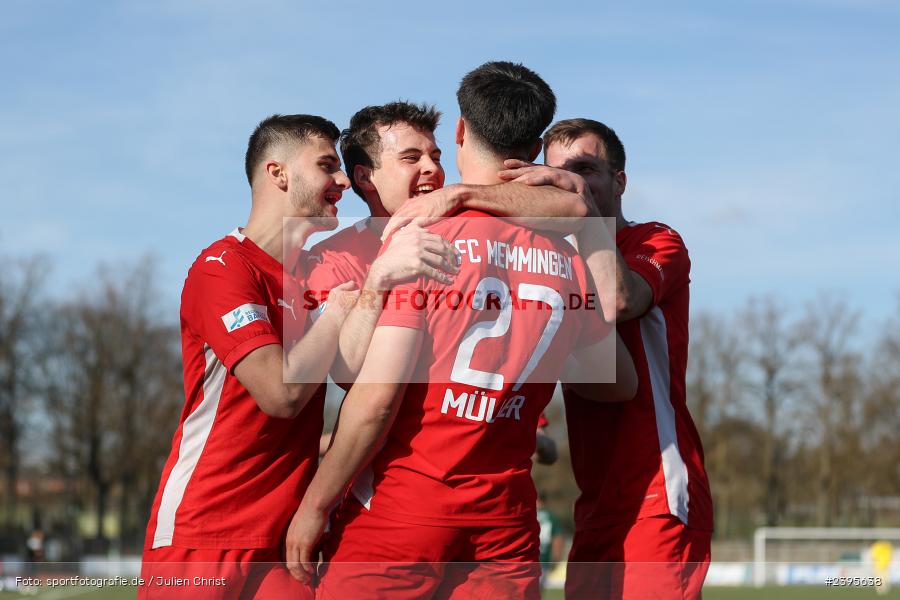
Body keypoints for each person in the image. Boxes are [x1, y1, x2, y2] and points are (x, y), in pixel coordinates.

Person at [285, 61, 637, 599]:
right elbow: (619, 384)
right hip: (505, 528)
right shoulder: (566, 257)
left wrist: (314, 505)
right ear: (537, 144)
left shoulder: (427, 239)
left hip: (404, 515)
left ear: (460, 132)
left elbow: (376, 400)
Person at [138, 114, 360, 600]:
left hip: (285, 543)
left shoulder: (318, 276)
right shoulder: (222, 267)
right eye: (328, 165)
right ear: (277, 173)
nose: (343, 181)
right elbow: (279, 396)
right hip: (204, 536)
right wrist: (339, 312)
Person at [502, 118, 713, 599]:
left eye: (584, 169)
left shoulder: (656, 239)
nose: (568, 181)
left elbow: (618, 298)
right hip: (595, 501)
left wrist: (575, 215)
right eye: (555, 172)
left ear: (619, 181)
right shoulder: (553, 262)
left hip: (658, 491)